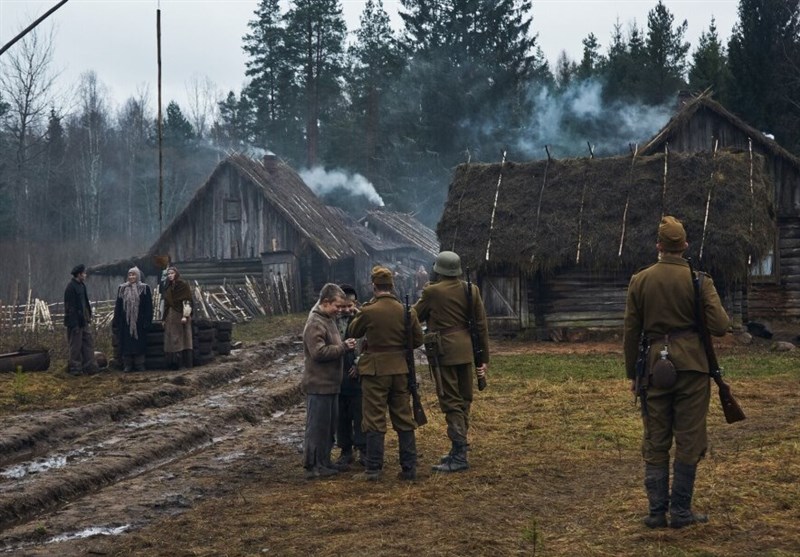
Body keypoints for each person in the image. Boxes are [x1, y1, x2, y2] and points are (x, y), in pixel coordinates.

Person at [623, 215, 730, 529]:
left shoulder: (639, 280)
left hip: (653, 368)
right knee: (689, 438)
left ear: (658, 246)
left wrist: (633, 374)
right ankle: (681, 513)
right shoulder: (700, 281)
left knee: (656, 439)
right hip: (694, 368)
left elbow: (631, 333)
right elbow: (721, 326)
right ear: (684, 246)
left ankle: (657, 513)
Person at [413, 251, 489, 473]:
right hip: (466, 350)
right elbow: (481, 324)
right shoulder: (471, 289)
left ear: (439, 269)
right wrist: (483, 358)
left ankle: (459, 453)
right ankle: (458, 450)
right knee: (464, 398)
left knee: (450, 400)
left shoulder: (432, 291)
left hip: (444, 351)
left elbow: (415, 315)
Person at [347, 266, 423, 481]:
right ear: (392, 285)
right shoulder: (407, 310)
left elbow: (354, 331)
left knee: (374, 418)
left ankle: (373, 469)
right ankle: (409, 468)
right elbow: (417, 340)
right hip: (400, 369)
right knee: (404, 418)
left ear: (374, 286)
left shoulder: (369, 310)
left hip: (375, 371)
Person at [302, 283, 357, 479]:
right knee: (317, 427)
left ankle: (324, 461)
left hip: (332, 384)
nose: (340, 310)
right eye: (338, 306)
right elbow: (318, 352)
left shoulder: (328, 318)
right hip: (320, 384)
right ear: (326, 302)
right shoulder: (316, 322)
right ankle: (314, 465)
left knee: (328, 427)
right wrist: (343, 347)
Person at [334, 284, 365, 468]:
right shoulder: (331, 321)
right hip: (337, 375)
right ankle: (346, 451)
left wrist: (359, 363)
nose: (346, 310)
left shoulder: (364, 319)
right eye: (342, 306)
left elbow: (371, 343)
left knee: (360, 414)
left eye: (350, 305)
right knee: (341, 416)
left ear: (355, 303)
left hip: (358, 377)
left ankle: (363, 449)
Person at [112, 266, 154, 372]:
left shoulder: (144, 288)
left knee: (139, 343)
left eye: (133, 274)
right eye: (130, 275)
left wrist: (147, 321)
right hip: (125, 321)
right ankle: (128, 364)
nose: (131, 277)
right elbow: (118, 306)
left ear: (138, 276)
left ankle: (140, 364)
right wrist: (116, 321)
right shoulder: (122, 288)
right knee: (126, 343)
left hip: (139, 321)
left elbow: (149, 306)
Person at [63, 264, 98, 375]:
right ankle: (75, 368)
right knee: (75, 346)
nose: (85, 275)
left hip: (84, 321)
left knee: (88, 343)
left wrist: (88, 316)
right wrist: (74, 324)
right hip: (75, 323)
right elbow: (70, 308)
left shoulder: (82, 285)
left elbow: (85, 304)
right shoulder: (70, 287)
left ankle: (90, 367)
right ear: (79, 274)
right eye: (84, 273)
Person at [162, 265, 193, 370]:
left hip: (181, 315)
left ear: (176, 274)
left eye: (172, 273)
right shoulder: (168, 287)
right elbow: (166, 304)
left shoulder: (182, 285)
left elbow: (187, 301)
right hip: (170, 316)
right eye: (168, 274)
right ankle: (173, 364)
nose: (170, 275)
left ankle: (184, 364)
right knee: (172, 339)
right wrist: (164, 318)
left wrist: (185, 315)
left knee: (183, 339)